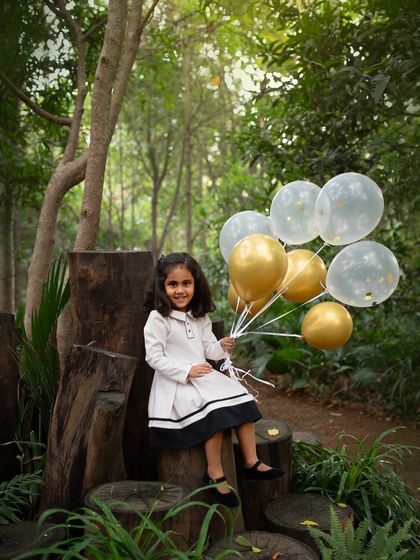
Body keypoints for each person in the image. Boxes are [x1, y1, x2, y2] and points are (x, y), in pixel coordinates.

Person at [144, 252, 284, 508]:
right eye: (172, 284)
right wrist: (186, 371)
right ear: (162, 287)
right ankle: (215, 473)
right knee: (216, 413)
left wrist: (222, 345)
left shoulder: (199, 317)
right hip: (177, 385)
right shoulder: (158, 318)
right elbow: (154, 357)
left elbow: (209, 350)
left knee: (242, 401)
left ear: (196, 285)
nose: (180, 290)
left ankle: (251, 461)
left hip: (204, 378)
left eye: (186, 283)